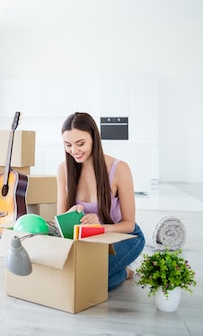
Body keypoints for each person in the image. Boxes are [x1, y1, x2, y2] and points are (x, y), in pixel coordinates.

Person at [56, 112, 145, 291]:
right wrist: (71, 215)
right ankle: (123, 272)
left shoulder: (119, 169)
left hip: (123, 237)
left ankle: (124, 271)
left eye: (80, 143)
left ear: (94, 139)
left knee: (86, 281)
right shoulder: (64, 169)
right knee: (73, 278)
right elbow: (60, 220)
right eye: (68, 145)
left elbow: (128, 224)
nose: (74, 150)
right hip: (88, 241)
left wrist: (98, 227)